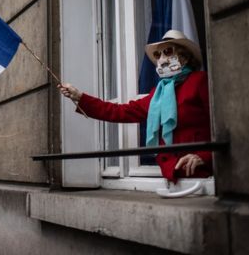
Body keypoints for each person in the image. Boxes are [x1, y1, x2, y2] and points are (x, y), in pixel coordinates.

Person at [58, 30, 211, 182]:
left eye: (168, 51)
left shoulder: (199, 81)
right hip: (172, 177)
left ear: (184, 57)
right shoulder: (158, 94)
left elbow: (222, 126)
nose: (162, 59)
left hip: (202, 175)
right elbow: (119, 111)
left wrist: (204, 156)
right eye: (158, 55)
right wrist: (79, 97)